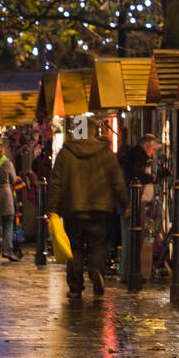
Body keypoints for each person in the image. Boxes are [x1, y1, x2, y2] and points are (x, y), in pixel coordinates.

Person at [48, 119, 127, 299]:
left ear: (77, 131)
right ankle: (95, 270)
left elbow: (56, 182)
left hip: (73, 208)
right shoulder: (105, 153)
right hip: (99, 209)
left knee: (74, 248)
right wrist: (124, 204)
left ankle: (75, 287)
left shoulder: (65, 154)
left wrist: (52, 207)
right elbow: (117, 180)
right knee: (97, 245)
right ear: (93, 132)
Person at [117, 133, 160, 278]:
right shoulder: (137, 156)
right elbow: (134, 176)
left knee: (133, 236)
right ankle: (130, 273)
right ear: (146, 145)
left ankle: (130, 271)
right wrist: (152, 178)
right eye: (153, 149)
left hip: (131, 202)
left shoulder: (135, 155)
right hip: (132, 203)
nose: (153, 153)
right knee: (132, 237)